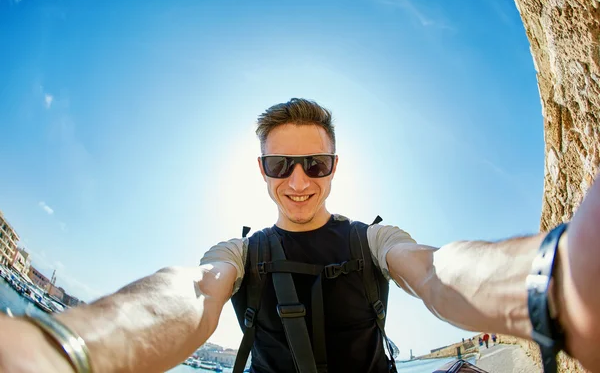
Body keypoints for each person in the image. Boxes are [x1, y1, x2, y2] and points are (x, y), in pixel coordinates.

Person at [0, 98, 600, 373]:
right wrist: (65, 349)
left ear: (333, 167)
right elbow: (193, 292)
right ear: (261, 172)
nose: (297, 180)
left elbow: (434, 271)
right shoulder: (241, 251)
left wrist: (555, 283)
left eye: (314, 164)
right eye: (278, 165)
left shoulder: (374, 238)